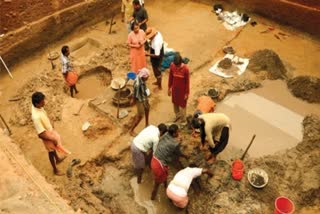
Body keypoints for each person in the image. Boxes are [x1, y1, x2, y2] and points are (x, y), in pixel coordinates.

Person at [31, 92, 70, 176]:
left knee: (53, 148)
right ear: (37, 103)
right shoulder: (36, 117)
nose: (44, 102)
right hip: (46, 136)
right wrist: (53, 139)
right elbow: (40, 134)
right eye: (42, 102)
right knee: (51, 152)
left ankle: (58, 159)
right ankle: (55, 170)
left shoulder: (37, 107)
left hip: (49, 131)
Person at [150, 124, 188, 200]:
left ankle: (165, 186)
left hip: (154, 159)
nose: (179, 133)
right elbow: (179, 153)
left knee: (165, 175)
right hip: (159, 165)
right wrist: (185, 156)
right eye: (178, 132)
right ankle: (152, 198)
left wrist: (177, 140)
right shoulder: (175, 144)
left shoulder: (166, 133)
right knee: (156, 185)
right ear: (174, 134)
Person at [168, 53, 190, 122]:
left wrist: (186, 93)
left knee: (183, 105)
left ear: (181, 62)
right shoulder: (172, 66)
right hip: (175, 89)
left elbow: (187, 82)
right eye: (175, 65)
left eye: (178, 65)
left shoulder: (186, 69)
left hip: (182, 91)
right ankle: (177, 116)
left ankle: (183, 120)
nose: (177, 67)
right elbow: (170, 77)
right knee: (175, 103)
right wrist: (169, 88)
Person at [129, 68, 150, 136]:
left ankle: (147, 124)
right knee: (140, 115)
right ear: (144, 77)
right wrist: (133, 100)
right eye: (147, 77)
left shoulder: (141, 78)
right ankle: (131, 130)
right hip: (139, 99)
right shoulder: (137, 84)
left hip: (143, 96)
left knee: (147, 108)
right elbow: (135, 95)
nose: (148, 78)